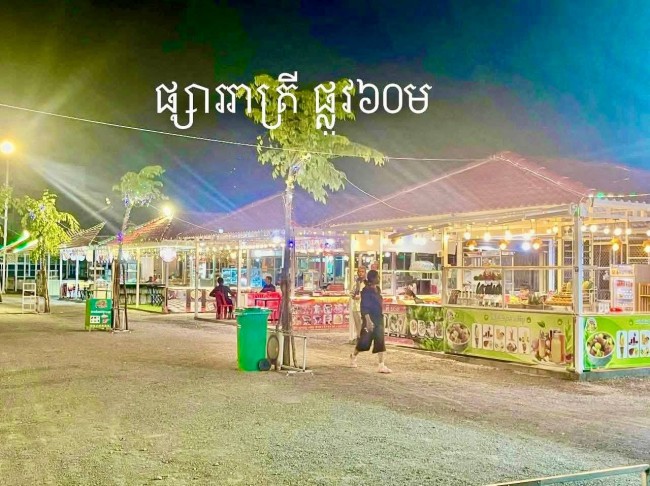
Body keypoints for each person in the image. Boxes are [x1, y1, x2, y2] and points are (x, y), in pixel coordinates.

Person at [350, 270, 392, 373]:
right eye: (377, 277)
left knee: (380, 341)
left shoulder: (378, 289)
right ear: (373, 278)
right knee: (364, 342)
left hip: (378, 319)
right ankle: (353, 356)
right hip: (369, 319)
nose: (379, 278)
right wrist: (368, 321)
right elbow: (365, 307)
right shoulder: (366, 291)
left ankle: (381, 365)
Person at [350, 266, 367, 343]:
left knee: (364, 324)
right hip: (355, 307)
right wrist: (354, 296)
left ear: (365, 273)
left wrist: (361, 296)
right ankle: (359, 337)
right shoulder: (355, 283)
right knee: (357, 324)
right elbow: (351, 293)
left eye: (362, 272)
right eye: (359, 272)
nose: (361, 273)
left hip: (364, 307)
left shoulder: (367, 283)